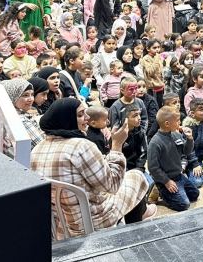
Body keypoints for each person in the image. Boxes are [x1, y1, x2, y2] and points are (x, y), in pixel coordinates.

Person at [31, 97, 151, 236]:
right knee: (137, 176)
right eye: (81, 114)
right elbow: (112, 185)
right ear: (67, 119)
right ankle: (137, 227)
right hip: (94, 221)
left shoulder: (37, 150)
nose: (87, 118)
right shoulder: (81, 146)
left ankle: (139, 217)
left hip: (61, 226)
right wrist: (117, 145)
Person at [148, 105, 201, 212]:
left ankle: (176, 191)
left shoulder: (176, 135)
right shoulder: (155, 142)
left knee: (195, 194)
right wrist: (166, 181)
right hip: (166, 179)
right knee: (184, 204)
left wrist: (189, 139)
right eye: (177, 121)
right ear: (167, 124)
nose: (180, 123)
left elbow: (186, 152)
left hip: (178, 176)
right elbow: (153, 168)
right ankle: (160, 189)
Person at [2, 78, 44, 147]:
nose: (31, 99)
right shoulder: (19, 119)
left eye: (32, 94)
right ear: (12, 96)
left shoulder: (0, 112)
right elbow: (41, 146)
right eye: (25, 95)